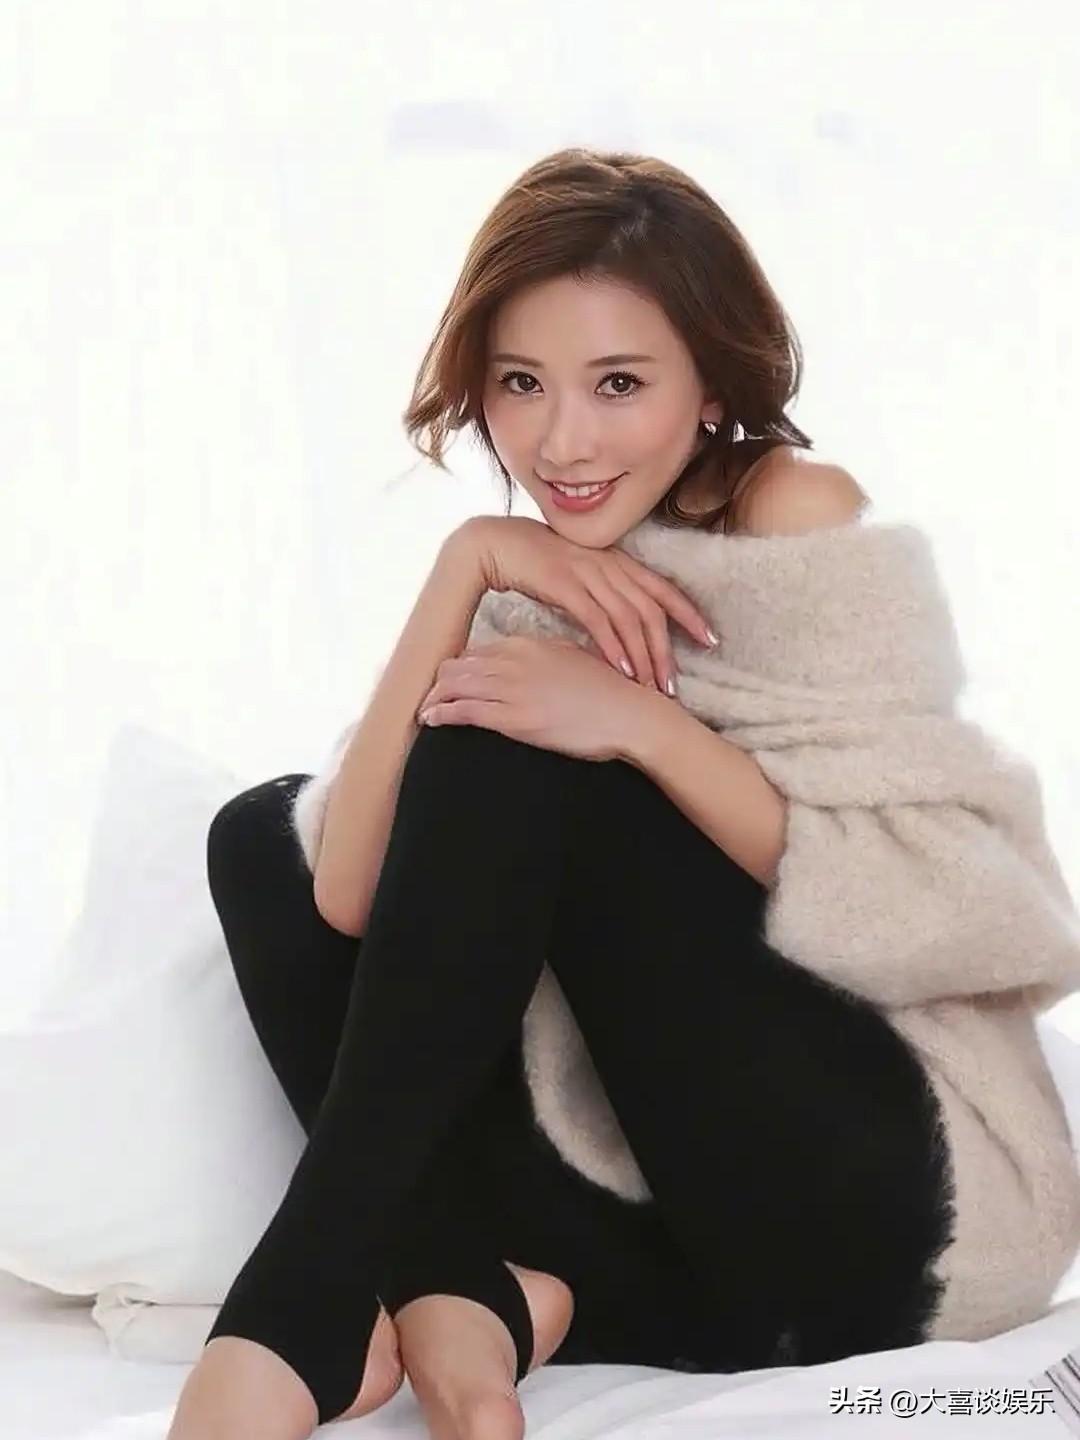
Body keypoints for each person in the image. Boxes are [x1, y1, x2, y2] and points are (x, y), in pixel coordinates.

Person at [167, 148, 1078, 1440]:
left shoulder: (791, 511)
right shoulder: (537, 569)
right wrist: (467, 564)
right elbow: (349, 895)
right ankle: (461, 1286)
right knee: (262, 832)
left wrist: (642, 728)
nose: (562, 441)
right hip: (689, 1253)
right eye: (520, 384)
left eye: (619, 384)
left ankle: (305, 1306)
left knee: (509, 737)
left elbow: (944, 894)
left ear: (712, 385)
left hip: (905, 1213)